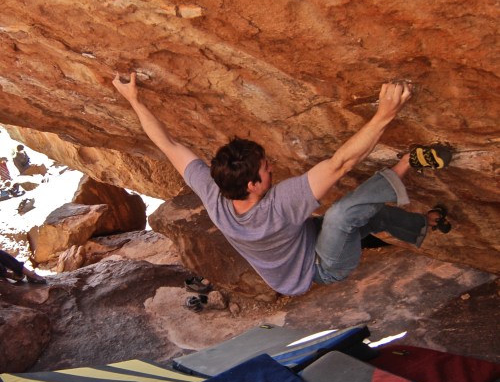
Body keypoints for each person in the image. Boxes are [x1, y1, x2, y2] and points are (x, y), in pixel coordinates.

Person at [113, 72, 451, 297]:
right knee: (343, 214)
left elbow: (168, 144)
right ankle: (411, 161)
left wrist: (133, 100)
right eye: (266, 169)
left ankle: (427, 223)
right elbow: (341, 163)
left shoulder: (215, 191)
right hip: (320, 268)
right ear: (253, 185)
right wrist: (385, 114)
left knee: (367, 218)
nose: (272, 168)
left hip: (299, 252)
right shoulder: (280, 205)